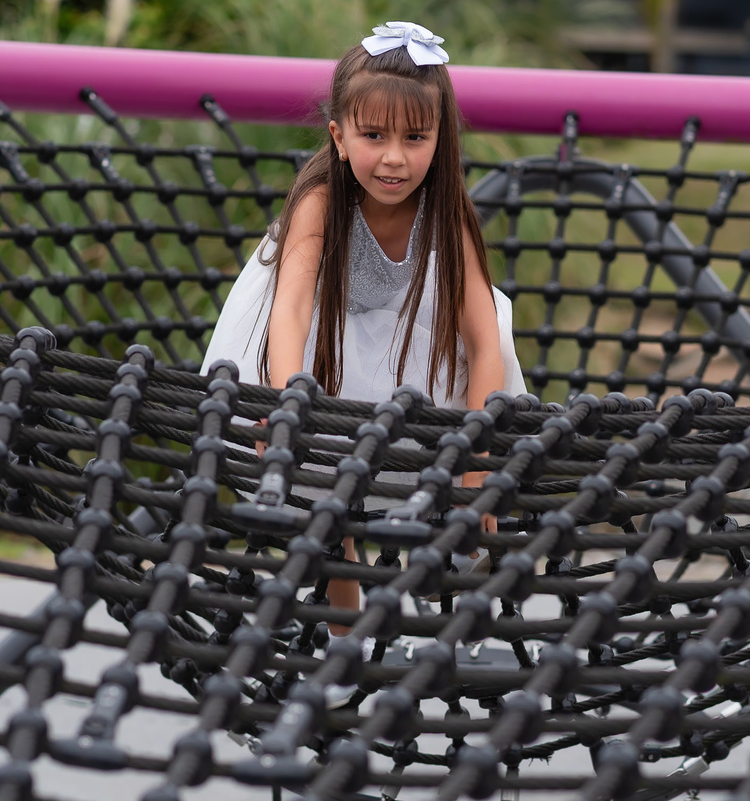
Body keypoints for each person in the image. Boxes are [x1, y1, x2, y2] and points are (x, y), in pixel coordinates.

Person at [202, 21, 526, 700]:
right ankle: (343, 645)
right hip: (318, 343)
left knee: (469, 485)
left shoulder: (447, 209)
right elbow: (289, 309)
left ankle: (462, 618)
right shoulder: (322, 200)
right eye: (373, 136)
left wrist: (477, 450)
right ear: (338, 135)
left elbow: (482, 335)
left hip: (411, 341)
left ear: (441, 142)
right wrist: (288, 403)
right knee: (324, 495)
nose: (394, 159)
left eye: (415, 138)